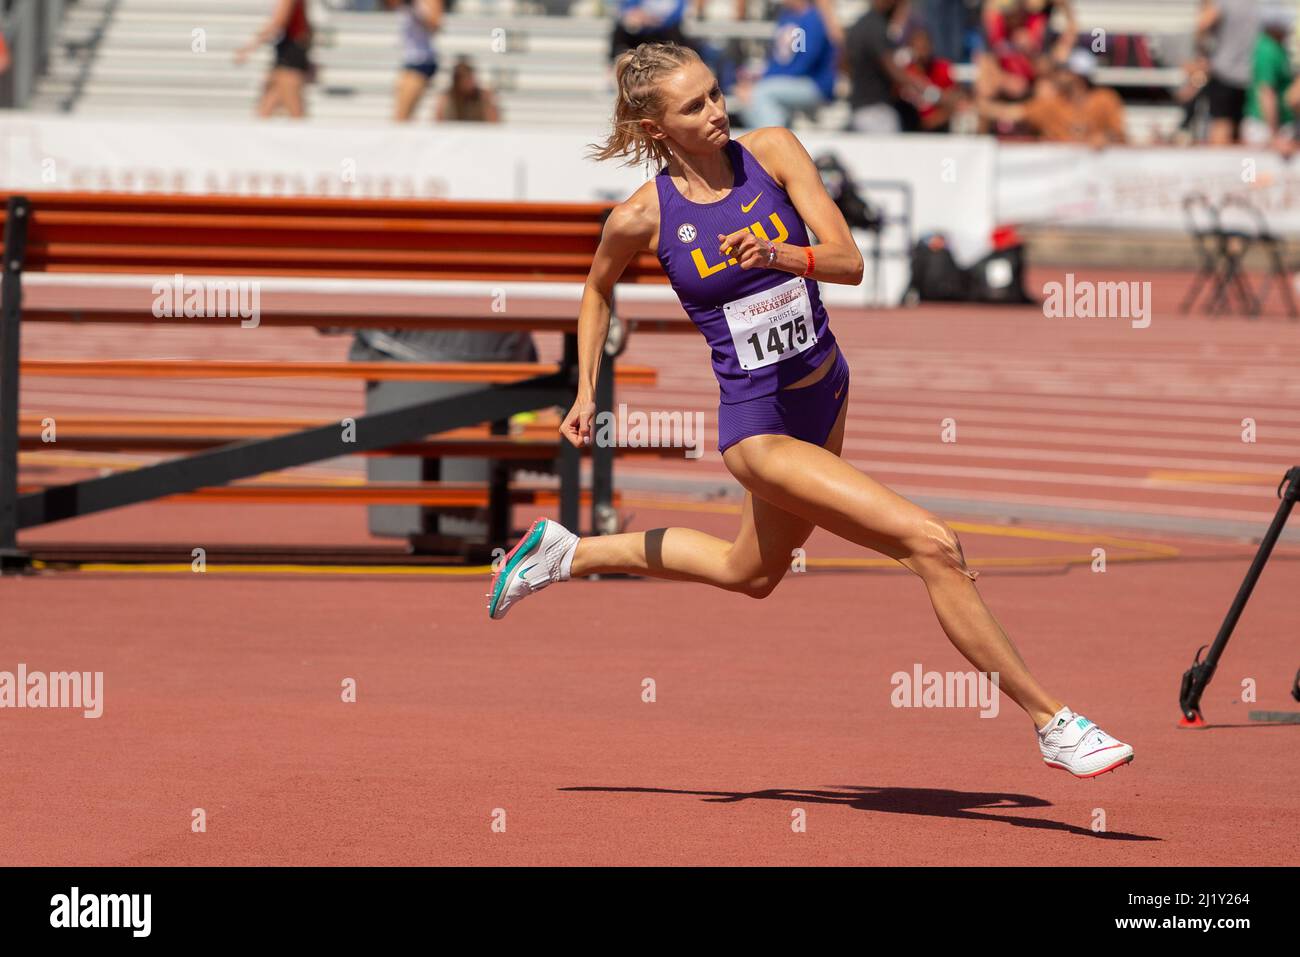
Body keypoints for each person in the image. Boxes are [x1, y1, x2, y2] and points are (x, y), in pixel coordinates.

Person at [485, 40, 1136, 780]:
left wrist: (777, 253)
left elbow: (849, 262)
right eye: (693, 105)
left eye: (715, 92)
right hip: (758, 431)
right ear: (655, 126)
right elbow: (597, 289)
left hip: (826, 388)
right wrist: (587, 388)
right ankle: (1052, 721)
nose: (717, 110)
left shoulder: (774, 150)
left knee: (750, 572)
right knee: (931, 543)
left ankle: (564, 552)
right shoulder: (643, 217)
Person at [980, 48, 1126, 145]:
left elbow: (1120, 135)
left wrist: (1104, 139)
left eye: (1064, 70)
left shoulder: (1105, 100)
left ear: (1078, 76)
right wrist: (981, 104)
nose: (1058, 74)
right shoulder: (1051, 104)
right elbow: (1011, 113)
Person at [740, 0, 840, 129]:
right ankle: (766, 140)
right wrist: (754, 78)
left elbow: (804, 64)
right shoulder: (786, 18)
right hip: (788, 81)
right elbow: (777, 60)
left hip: (814, 84)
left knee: (761, 92)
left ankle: (773, 142)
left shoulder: (813, 19)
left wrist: (762, 81)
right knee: (745, 93)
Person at [845, 0, 927, 133]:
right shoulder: (876, 27)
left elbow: (843, 64)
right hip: (876, 112)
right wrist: (929, 90)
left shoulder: (859, 25)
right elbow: (892, 69)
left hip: (860, 108)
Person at [234, 0, 314, 118]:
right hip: (288, 53)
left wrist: (249, 48)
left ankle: (305, 135)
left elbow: (277, 23)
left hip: (290, 55)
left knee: (295, 109)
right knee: (265, 108)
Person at [1198, 0, 1261, 145]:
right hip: (1251, 74)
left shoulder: (1225, 3)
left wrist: (1203, 55)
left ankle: (1219, 167)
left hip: (1225, 72)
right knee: (1243, 132)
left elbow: (1202, 23)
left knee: (1222, 127)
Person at [1241, 6, 1295, 151]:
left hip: (1274, 125)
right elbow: (1266, 93)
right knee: (1258, 172)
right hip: (1265, 127)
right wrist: (1274, 135)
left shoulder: (1276, 48)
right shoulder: (1267, 51)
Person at [389, 0, 443, 122]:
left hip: (422, 60)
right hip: (410, 59)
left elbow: (436, 25)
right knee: (402, 115)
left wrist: (417, 8)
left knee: (401, 116)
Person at [435, 56, 502, 122]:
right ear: (457, 81)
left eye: (470, 78)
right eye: (465, 79)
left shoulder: (482, 96)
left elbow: (494, 123)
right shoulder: (446, 98)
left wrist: (487, 102)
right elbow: (438, 123)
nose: (470, 82)